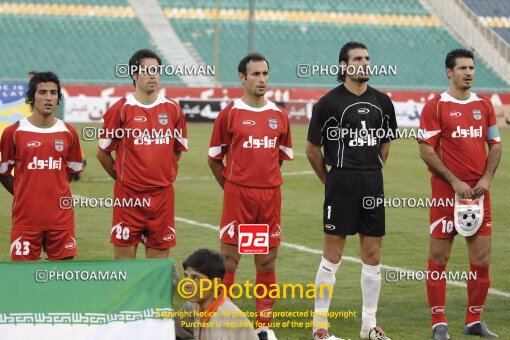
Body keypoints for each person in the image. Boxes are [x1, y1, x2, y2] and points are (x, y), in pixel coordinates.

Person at [306, 41, 397, 340]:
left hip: (372, 182)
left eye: (368, 58)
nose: (365, 63)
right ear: (344, 66)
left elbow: (385, 144)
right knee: (332, 255)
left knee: (372, 254)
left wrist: (371, 170)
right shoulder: (328, 103)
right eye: (358, 58)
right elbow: (312, 150)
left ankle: (369, 326)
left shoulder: (383, 102)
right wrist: (330, 181)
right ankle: (320, 326)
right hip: (341, 182)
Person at [207, 53, 293, 340]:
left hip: (268, 198)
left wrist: (260, 183)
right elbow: (215, 159)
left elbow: (277, 159)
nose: (262, 80)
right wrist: (233, 188)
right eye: (255, 74)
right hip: (238, 198)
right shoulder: (230, 113)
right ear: (242, 78)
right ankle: (223, 318)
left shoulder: (279, 115)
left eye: (265, 74)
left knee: (266, 262)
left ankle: (263, 325)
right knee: (229, 261)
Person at [418, 49, 501, 339]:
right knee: (439, 258)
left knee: (481, 259)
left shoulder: (485, 105)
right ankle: (439, 323)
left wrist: (487, 178)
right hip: (445, 193)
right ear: (449, 72)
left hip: (478, 194)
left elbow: (496, 145)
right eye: (462, 68)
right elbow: (426, 149)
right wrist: (453, 181)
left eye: (472, 68)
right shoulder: (436, 106)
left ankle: (473, 321)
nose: (468, 72)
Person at [97, 49, 187, 259]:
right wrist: (124, 178)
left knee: (157, 272)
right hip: (129, 199)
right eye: (146, 71)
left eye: (156, 70)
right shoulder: (120, 109)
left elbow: (176, 151)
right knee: (125, 270)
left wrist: (161, 173)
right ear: (134, 75)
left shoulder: (173, 109)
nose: (153, 75)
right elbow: (103, 154)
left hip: (162, 198)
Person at [0, 72, 83, 261]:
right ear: (32, 96)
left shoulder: (69, 133)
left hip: (62, 221)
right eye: (42, 92)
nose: (48, 97)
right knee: (23, 281)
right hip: (26, 221)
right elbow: (3, 172)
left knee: (63, 279)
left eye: (53, 93)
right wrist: (24, 194)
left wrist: (54, 192)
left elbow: (70, 173)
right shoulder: (13, 132)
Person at [175, 249, 258, 340]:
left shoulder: (223, 324)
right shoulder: (194, 307)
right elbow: (170, 329)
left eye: (195, 278)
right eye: (186, 276)